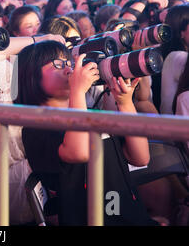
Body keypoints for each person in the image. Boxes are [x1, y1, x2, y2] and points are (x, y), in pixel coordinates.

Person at [14, 40, 157, 225]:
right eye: (57, 64)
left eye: (68, 63)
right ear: (31, 76)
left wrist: (124, 102)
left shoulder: (91, 114)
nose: (69, 70)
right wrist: (78, 91)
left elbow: (140, 157)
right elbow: (78, 152)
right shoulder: (36, 128)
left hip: (130, 216)